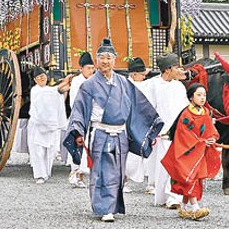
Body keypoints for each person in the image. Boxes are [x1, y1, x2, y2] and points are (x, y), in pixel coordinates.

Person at [63, 38, 163, 223]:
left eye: (109, 57)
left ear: (115, 60)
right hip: (101, 133)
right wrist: (78, 132)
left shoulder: (124, 83)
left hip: (120, 134)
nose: (105, 61)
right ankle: (103, 208)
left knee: (117, 171)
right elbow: (79, 111)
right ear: (96, 60)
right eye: (101, 57)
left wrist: (149, 130)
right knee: (102, 170)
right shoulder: (89, 85)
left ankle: (111, 205)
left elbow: (138, 107)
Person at [161, 84, 220, 220]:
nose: (202, 98)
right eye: (198, 95)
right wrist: (202, 142)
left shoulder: (205, 112)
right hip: (186, 150)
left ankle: (184, 206)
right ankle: (195, 207)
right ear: (191, 96)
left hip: (198, 151)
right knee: (190, 177)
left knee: (195, 177)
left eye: (204, 95)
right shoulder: (186, 114)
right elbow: (185, 135)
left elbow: (209, 129)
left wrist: (211, 138)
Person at [147, 52, 189, 209]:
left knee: (177, 164)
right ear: (167, 69)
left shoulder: (179, 86)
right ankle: (164, 196)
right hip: (162, 132)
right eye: (176, 67)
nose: (179, 69)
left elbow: (186, 109)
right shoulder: (152, 85)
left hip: (179, 131)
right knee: (164, 165)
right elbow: (148, 108)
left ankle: (174, 196)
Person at [28, 66, 68, 184]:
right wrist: (62, 84)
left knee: (50, 150)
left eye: (44, 76)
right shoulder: (35, 90)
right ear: (35, 80)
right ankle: (39, 174)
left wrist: (64, 90)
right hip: (38, 125)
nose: (42, 79)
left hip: (49, 125)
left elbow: (58, 96)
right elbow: (51, 92)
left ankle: (46, 172)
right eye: (39, 77)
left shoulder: (49, 90)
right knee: (38, 151)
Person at [67, 51, 95, 188]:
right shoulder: (78, 82)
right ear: (81, 69)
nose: (91, 70)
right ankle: (75, 174)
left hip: (90, 117)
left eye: (92, 68)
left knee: (87, 147)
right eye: (88, 68)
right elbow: (75, 102)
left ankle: (81, 175)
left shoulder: (93, 81)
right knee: (79, 144)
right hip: (79, 116)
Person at [124, 57, 152, 193]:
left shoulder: (145, 85)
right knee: (128, 154)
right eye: (141, 75)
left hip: (143, 122)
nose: (143, 77)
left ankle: (151, 183)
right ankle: (123, 182)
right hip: (129, 123)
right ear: (134, 74)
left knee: (147, 152)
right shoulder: (124, 86)